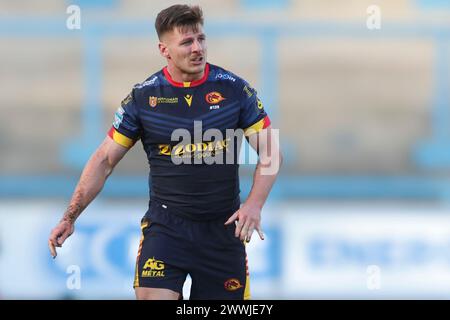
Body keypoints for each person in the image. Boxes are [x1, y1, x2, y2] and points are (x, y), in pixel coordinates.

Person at [48, 4, 282, 300]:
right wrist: (70, 216)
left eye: (201, 39)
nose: (198, 48)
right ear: (164, 49)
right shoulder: (144, 98)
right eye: (187, 42)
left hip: (223, 231)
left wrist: (254, 204)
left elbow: (271, 150)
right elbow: (104, 160)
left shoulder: (234, 89)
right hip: (167, 229)